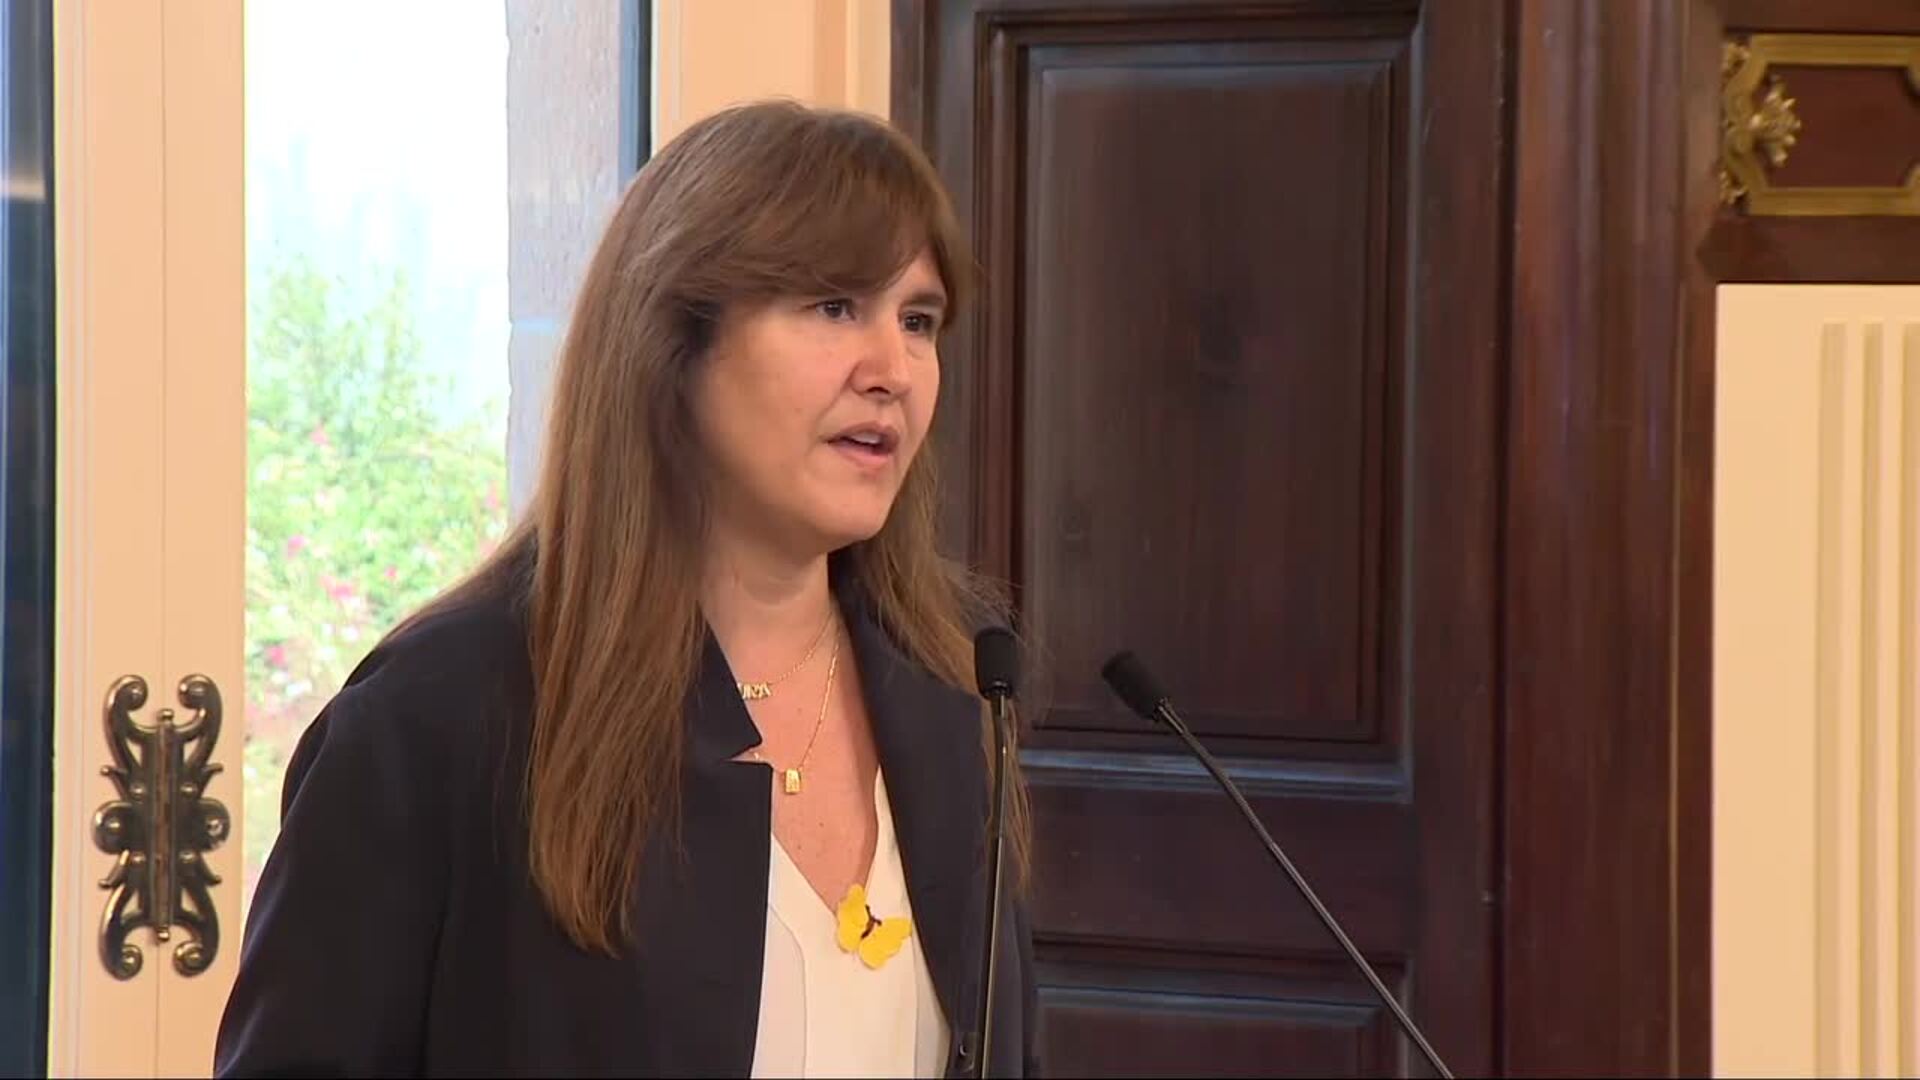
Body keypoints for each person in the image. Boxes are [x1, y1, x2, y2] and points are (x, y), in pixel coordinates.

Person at [214, 99, 1039, 1078]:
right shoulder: (442, 714)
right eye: (833, 308)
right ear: (673, 345)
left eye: (919, 320)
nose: (893, 370)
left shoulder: (955, 693)